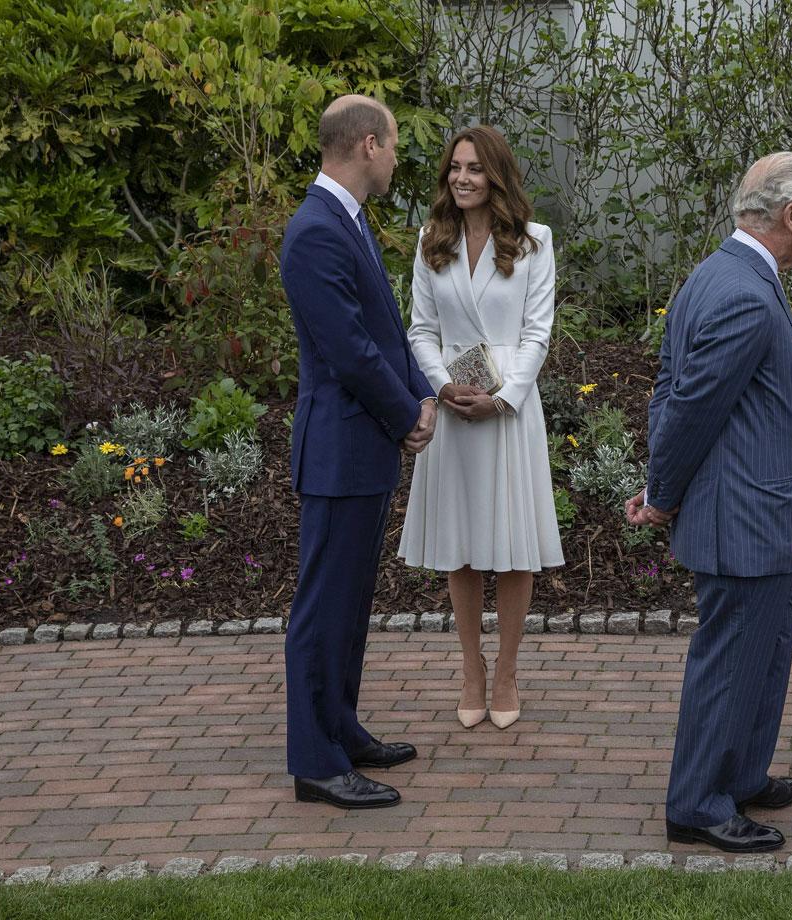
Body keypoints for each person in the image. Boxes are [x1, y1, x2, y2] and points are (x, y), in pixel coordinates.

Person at [624, 152, 792, 854]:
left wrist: (664, 484)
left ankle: (739, 774)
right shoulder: (741, 290)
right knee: (733, 656)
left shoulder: (720, 274)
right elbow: (687, 406)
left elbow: (668, 388)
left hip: (750, 512)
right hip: (741, 517)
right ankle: (699, 805)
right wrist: (663, 493)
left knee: (762, 651)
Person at [281, 94, 437, 809]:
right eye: (395, 145)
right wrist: (406, 413)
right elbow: (346, 350)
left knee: (350, 604)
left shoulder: (348, 221)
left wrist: (422, 396)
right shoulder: (315, 231)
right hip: (341, 449)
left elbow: (385, 330)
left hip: (364, 444)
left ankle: (340, 728)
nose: (399, 158)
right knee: (323, 608)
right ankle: (316, 763)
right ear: (368, 144)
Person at [398, 125, 562, 731]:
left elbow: (537, 333)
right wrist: (443, 386)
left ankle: (509, 670)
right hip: (454, 409)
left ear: (496, 174)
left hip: (509, 413)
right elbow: (419, 329)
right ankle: (471, 668)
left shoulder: (535, 242)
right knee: (461, 545)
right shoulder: (429, 240)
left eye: (473, 168)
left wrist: (504, 398)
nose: (460, 178)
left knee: (513, 546)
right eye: (454, 169)